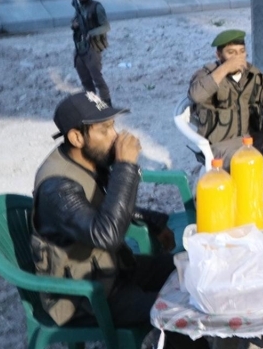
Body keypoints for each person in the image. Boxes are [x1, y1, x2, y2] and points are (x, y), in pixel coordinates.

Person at [30, 92, 205, 349]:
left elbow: (105, 206)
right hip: (85, 295)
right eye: (104, 130)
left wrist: (153, 220)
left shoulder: (87, 159)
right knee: (181, 312)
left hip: (112, 270)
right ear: (77, 137)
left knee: (193, 269)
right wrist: (125, 166)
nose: (115, 136)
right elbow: (107, 234)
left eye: (113, 126)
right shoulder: (57, 188)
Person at [189, 29, 263, 167]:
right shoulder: (206, 75)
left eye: (241, 52)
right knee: (248, 164)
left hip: (250, 140)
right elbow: (196, 95)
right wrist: (225, 68)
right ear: (219, 55)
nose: (238, 57)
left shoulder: (254, 75)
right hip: (219, 146)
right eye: (231, 53)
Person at [71, 0, 112, 106]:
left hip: (93, 48)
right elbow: (74, 22)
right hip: (80, 48)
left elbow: (106, 26)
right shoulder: (79, 8)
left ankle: (106, 105)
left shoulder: (96, 7)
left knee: (97, 79)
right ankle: (94, 106)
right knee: (85, 81)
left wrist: (91, 33)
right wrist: (74, 25)